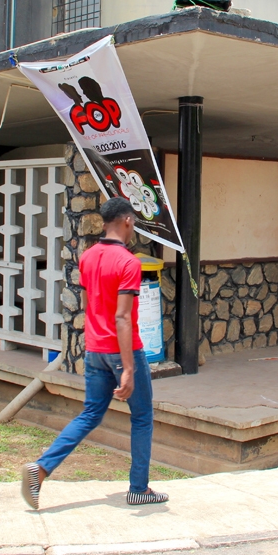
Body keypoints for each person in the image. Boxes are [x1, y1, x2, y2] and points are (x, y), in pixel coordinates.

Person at [21, 197, 167, 509]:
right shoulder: (129, 263)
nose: (134, 228)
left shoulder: (87, 257)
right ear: (127, 221)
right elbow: (123, 317)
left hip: (94, 350)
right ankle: (139, 488)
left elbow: (89, 308)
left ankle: (41, 469)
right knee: (142, 417)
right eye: (134, 223)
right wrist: (128, 368)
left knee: (89, 414)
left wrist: (98, 344)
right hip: (122, 350)